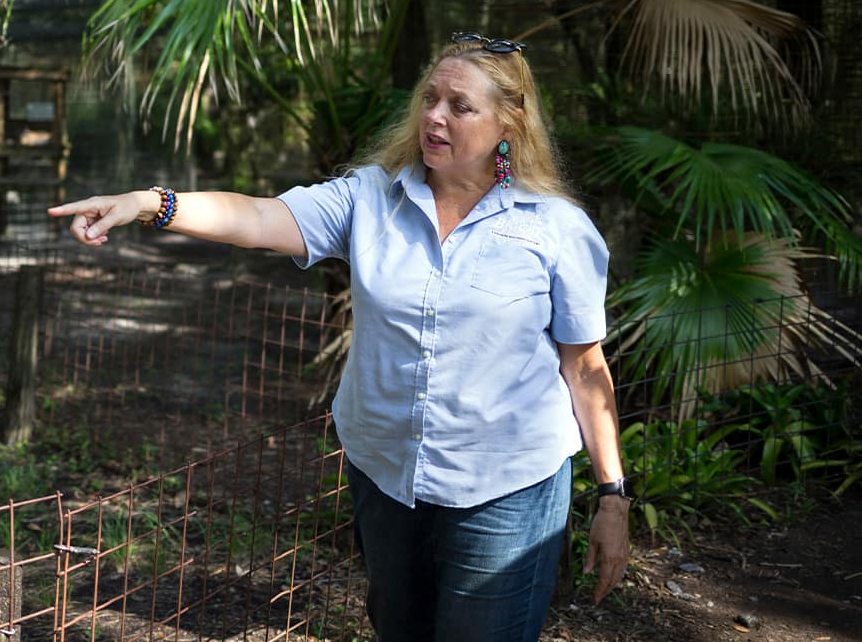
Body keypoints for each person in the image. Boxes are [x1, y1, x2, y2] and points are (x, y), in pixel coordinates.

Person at [48, 32, 631, 641]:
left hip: (506, 488)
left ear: (509, 122)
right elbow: (257, 217)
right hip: (387, 477)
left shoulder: (556, 228)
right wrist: (148, 203)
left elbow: (585, 369)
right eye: (430, 98)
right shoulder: (370, 197)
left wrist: (612, 496)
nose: (434, 116)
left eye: (460, 106)